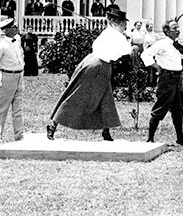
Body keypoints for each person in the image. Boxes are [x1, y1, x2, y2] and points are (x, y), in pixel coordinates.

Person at [47, 8, 131, 141]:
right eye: (123, 24)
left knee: (106, 99)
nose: (125, 27)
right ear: (118, 23)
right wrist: (128, 40)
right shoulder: (116, 35)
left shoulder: (109, 32)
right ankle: (52, 125)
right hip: (98, 66)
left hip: (96, 63)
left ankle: (106, 131)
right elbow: (127, 51)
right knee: (77, 96)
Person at [141, 20, 183, 145]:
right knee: (161, 107)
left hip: (177, 78)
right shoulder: (162, 44)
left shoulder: (177, 45)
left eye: (177, 27)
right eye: (174, 28)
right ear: (166, 31)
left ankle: (180, 138)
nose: (177, 30)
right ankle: (150, 138)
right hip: (167, 79)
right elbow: (145, 55)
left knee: (179, 109)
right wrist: (157, 67)